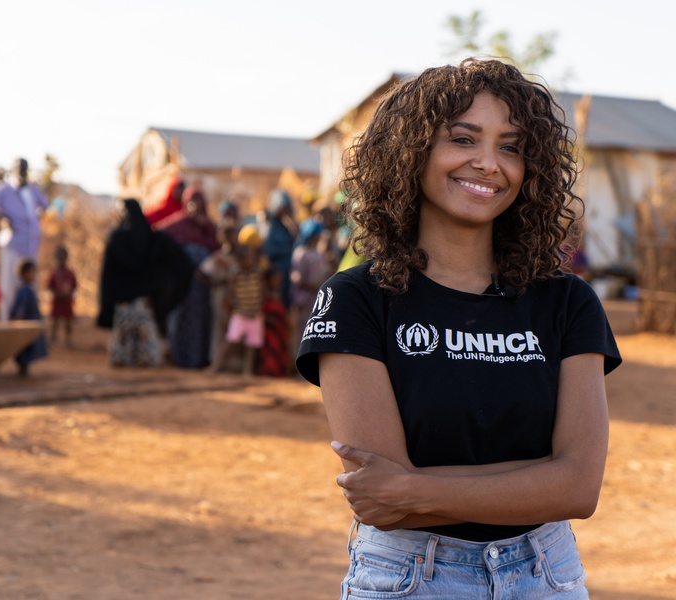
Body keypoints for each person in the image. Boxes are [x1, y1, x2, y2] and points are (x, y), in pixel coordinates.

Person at [295, 58, 623, 599]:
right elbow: (382, 504)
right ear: (412, 151)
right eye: (463, 138)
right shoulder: (356, 300)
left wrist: (411, 486)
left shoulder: (567, 302)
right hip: (409, 577)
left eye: (511, 146)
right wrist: (534, 479)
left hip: (546, 575)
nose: (489, 163)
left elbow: (579, 486)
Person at [97, 199, 171, 367]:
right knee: (145, 335)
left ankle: (124, 358)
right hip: (143, 299)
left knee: (124, 338)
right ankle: (145, 358)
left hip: (123, 299)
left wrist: (107, 300)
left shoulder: (116, 238)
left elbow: (108, 274)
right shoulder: (151, 237)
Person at [0, 158, 48, 320]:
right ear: (13, 170)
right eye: (20, 169)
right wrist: (2, 218)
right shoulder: (4, 189)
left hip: (31, 246)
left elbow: (45, 206)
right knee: (9, 288)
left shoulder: (32, 189)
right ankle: (7, 323)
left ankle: (30, 326)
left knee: (31, 288)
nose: (22, 172)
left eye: (25, 169)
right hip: (13, 245)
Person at [156, 186, 219, 368]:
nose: (193, 207)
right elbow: (159, 241)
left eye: (197, 203)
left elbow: (219, 249)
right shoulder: (175, 225)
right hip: (181, 285)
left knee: (202, 321)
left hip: (203, 286)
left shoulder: (210, 228)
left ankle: (199, 359)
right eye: (190, 203)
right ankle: (179, 358)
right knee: (180, 318)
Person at [210, 244, 264, 376]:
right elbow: (231, 294)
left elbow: (262, 292)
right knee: (231, 339)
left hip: (255, 313)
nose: (250, 261)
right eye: (247, 258)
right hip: (240, 313)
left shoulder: (257, 274)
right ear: (240, 260)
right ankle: (215, 366)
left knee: (251, 345)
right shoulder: (235, 274)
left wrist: (258, 308)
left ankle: (247, 371)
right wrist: (237, 308)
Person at [290, 218, 335, 360]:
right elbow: (297, 278)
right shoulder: (301, 253)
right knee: (302, 331)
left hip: (316, 300)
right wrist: (313, 286)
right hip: (304, 299)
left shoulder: (319, 253)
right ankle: (298, 361)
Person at [199, 225, 239, 363]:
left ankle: (230, 362)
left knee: (232, 327)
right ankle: (216, 360)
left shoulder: (239, 257)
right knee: (220, 327)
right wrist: (218, 282)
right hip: (221, 294)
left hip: (236, 296)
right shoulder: (218, 257)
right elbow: (201, 273)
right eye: (233, 234)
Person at [9, 258, 48, 376]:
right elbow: (22, 309)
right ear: (24, 274)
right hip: (26, 325)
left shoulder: (25, 290)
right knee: (25, 347)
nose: (33, 276)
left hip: (27, 324)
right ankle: (23, 368)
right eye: (32, 272)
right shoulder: (25, 291)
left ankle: (24, 368)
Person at [260, 189, 298, 308]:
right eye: (281, 208)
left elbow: (298, 243)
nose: (284, 212)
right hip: (275, 271)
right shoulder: (269, 226)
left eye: (286, 208)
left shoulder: (291, 226)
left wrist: (291, 226)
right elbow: (266, 249)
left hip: (290, 271)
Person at [257, 266, 290, 378]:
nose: (277, 282)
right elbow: (261, 313)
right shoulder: (264, 296)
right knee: (270, 354)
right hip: (269, 331)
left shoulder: (279, 295)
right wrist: (270, 320)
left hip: (280, 330)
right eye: (274, 280)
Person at [47, 245, 78, 346]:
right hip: (57, 300)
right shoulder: (54, 273)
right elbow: (50, 286)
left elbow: (74, 286)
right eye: (60, 257)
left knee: (68, 321)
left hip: (67, 301)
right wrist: (58, 294)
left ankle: (68, 339)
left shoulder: (70, 273)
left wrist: (69, 294)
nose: (62, 260)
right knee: (55, 320)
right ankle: (53, 337)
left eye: (63, 257)